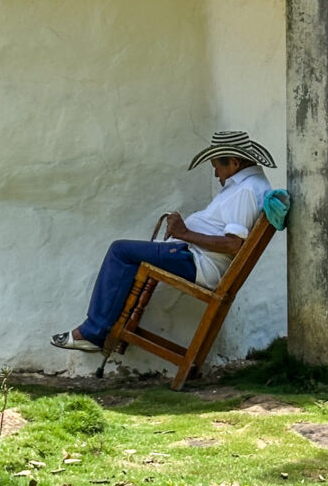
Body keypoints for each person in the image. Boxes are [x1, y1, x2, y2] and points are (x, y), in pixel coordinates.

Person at [51, 130, 276, 352]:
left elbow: (232, 244)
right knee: (130, 255)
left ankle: (91, 333)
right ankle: (105, 330)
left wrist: (184, 233)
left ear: (234, 163)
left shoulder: (245, 191)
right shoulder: (249, 185)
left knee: (120, 251)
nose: (217, 174)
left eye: (217, 167)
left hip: (199, 262)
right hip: (195, 255)